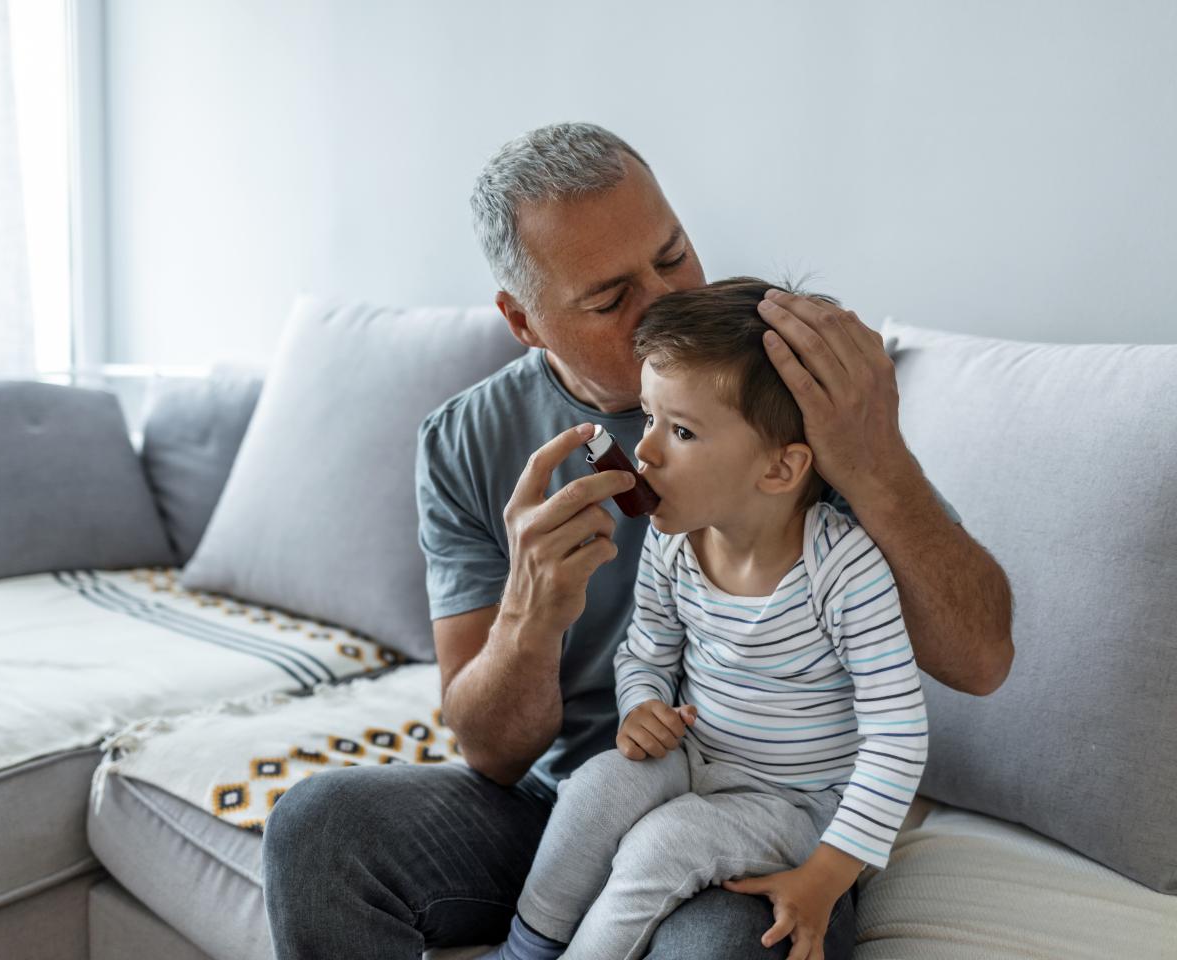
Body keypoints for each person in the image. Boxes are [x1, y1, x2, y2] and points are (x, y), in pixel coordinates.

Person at [262, 122, 1012, 960]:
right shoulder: (465, 440)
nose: (663, 305)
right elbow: (490, 753)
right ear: (523, 320)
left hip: (765, 815)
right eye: (610, 298)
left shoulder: (780, 390)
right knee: (317, 828)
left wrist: (877, 464)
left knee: (725, 944)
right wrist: (530, 616)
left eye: (673, 256)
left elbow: (979, 660)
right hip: (571, 801)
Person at [479, 279, 927, 960]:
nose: (648, 452)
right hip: (697, 755)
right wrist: (643, 705)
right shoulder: (672, 539)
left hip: (802, 804)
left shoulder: (844, 570)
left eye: (681, 431)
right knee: (597, 789)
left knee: (665, 844)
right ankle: (524, 949)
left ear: (780, 469)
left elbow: (897, 736)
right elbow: (645, 652)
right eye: (650, 417)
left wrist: (827, 875)